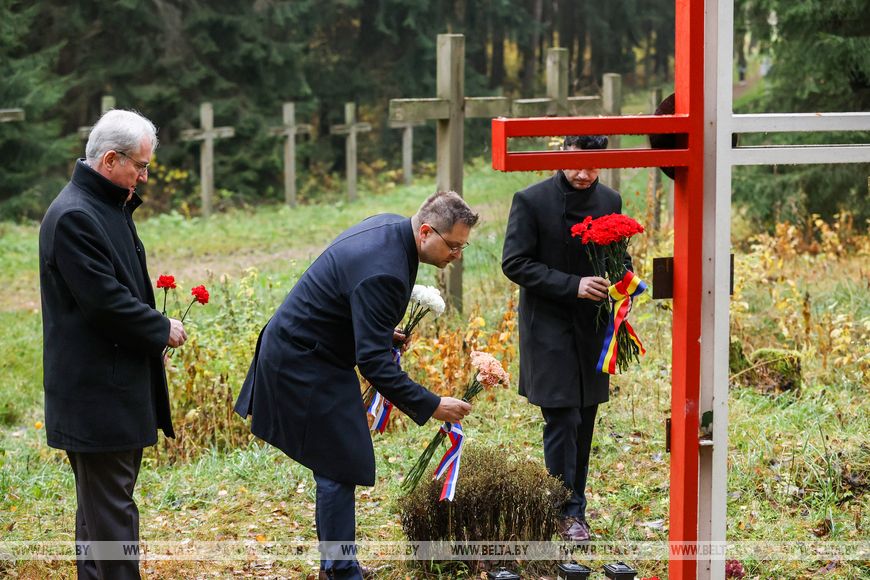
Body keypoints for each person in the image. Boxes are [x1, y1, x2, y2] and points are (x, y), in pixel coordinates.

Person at [234, 191, 478, 579]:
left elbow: (351, 298)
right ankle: (340, 570)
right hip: (301, 361)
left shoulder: (391, 228)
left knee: (339, 463)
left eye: (463, 246)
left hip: (313, 352)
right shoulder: (387, 269)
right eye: (453, 246)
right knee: (339, 464)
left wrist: (379, 329)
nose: (457, 255)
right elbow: (375, 364)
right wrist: (432, 404)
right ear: (426, 232)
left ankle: (336, 565)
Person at [39, 109, 187, 580]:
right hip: (96, 396)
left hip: (114, 388)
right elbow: (105, 302)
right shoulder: (75, 217)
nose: (144, 176)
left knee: (100, 515)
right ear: (109, 160)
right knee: (112, 518)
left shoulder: (107, 205)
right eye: (140, 167)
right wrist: (159, 328)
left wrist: (148, 329)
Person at [502, 135, 631, 542]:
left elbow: (619, 257)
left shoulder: (611, 200)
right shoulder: (531, 200)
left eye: (592, 166)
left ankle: (574, 505)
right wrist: (572, 285)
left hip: (593, 328)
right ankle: (566, 511)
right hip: (548, 326)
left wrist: (625, 279)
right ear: (561, 156)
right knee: (562, 415)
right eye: (575, 164)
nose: (582, 174)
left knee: (586, 417)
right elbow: (515, 262)